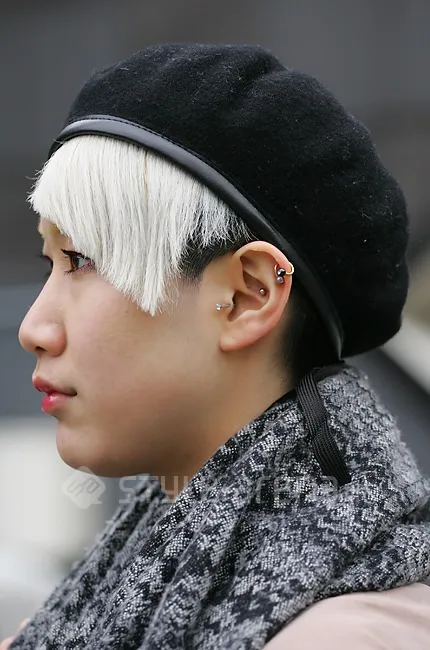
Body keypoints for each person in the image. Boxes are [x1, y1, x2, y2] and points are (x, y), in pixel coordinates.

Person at [5, 43, 430, 649]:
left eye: (81, 260)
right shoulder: (110, 598)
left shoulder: (345, 636)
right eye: (49, 263)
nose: (33, 328)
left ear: (247, 296)